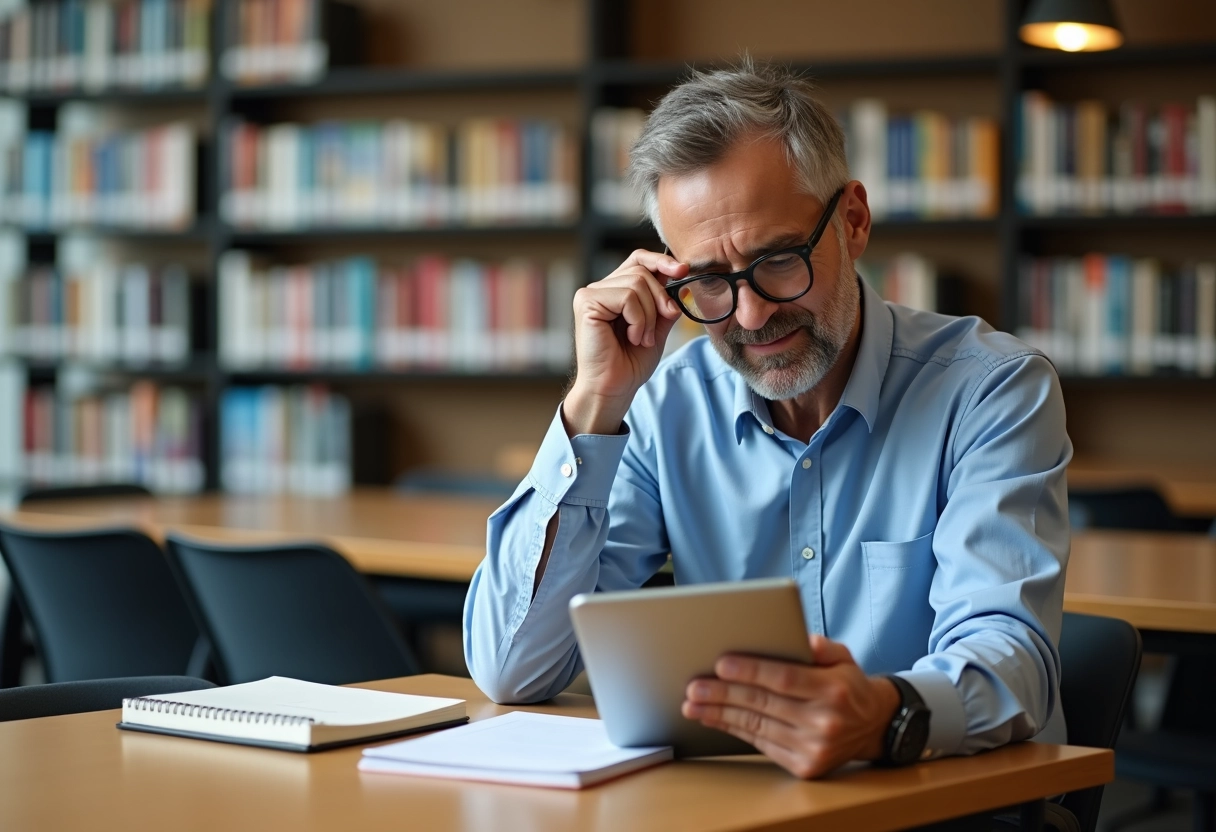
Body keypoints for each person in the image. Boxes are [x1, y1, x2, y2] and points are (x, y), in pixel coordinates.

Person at [463, 59, 1070, 779]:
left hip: (940, 797)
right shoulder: (666, 406)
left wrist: (884, 715)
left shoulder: (991, 391)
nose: (750, 315)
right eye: (709, 282)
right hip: (741, 804)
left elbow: (1012, 652)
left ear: (853, 221)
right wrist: (594, 401)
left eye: (778, 261)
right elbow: (512, 670)